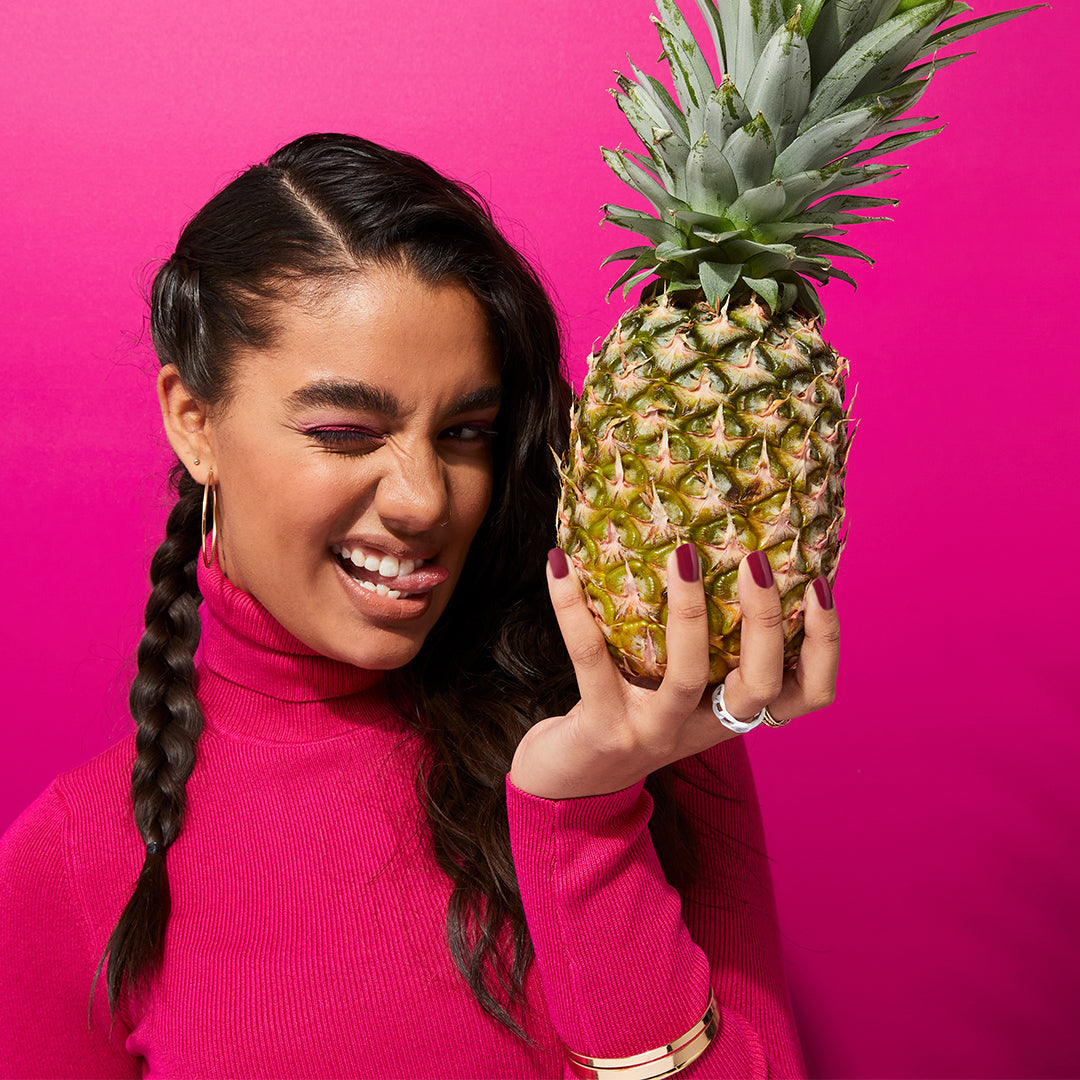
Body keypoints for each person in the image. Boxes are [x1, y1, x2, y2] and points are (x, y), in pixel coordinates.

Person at [0, 132, 838, 1079]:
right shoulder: (69, 863)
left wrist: (584, 818)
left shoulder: (640, 729)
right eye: (348, 431)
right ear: (194, 422)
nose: (426, 500)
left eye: (466, 431)